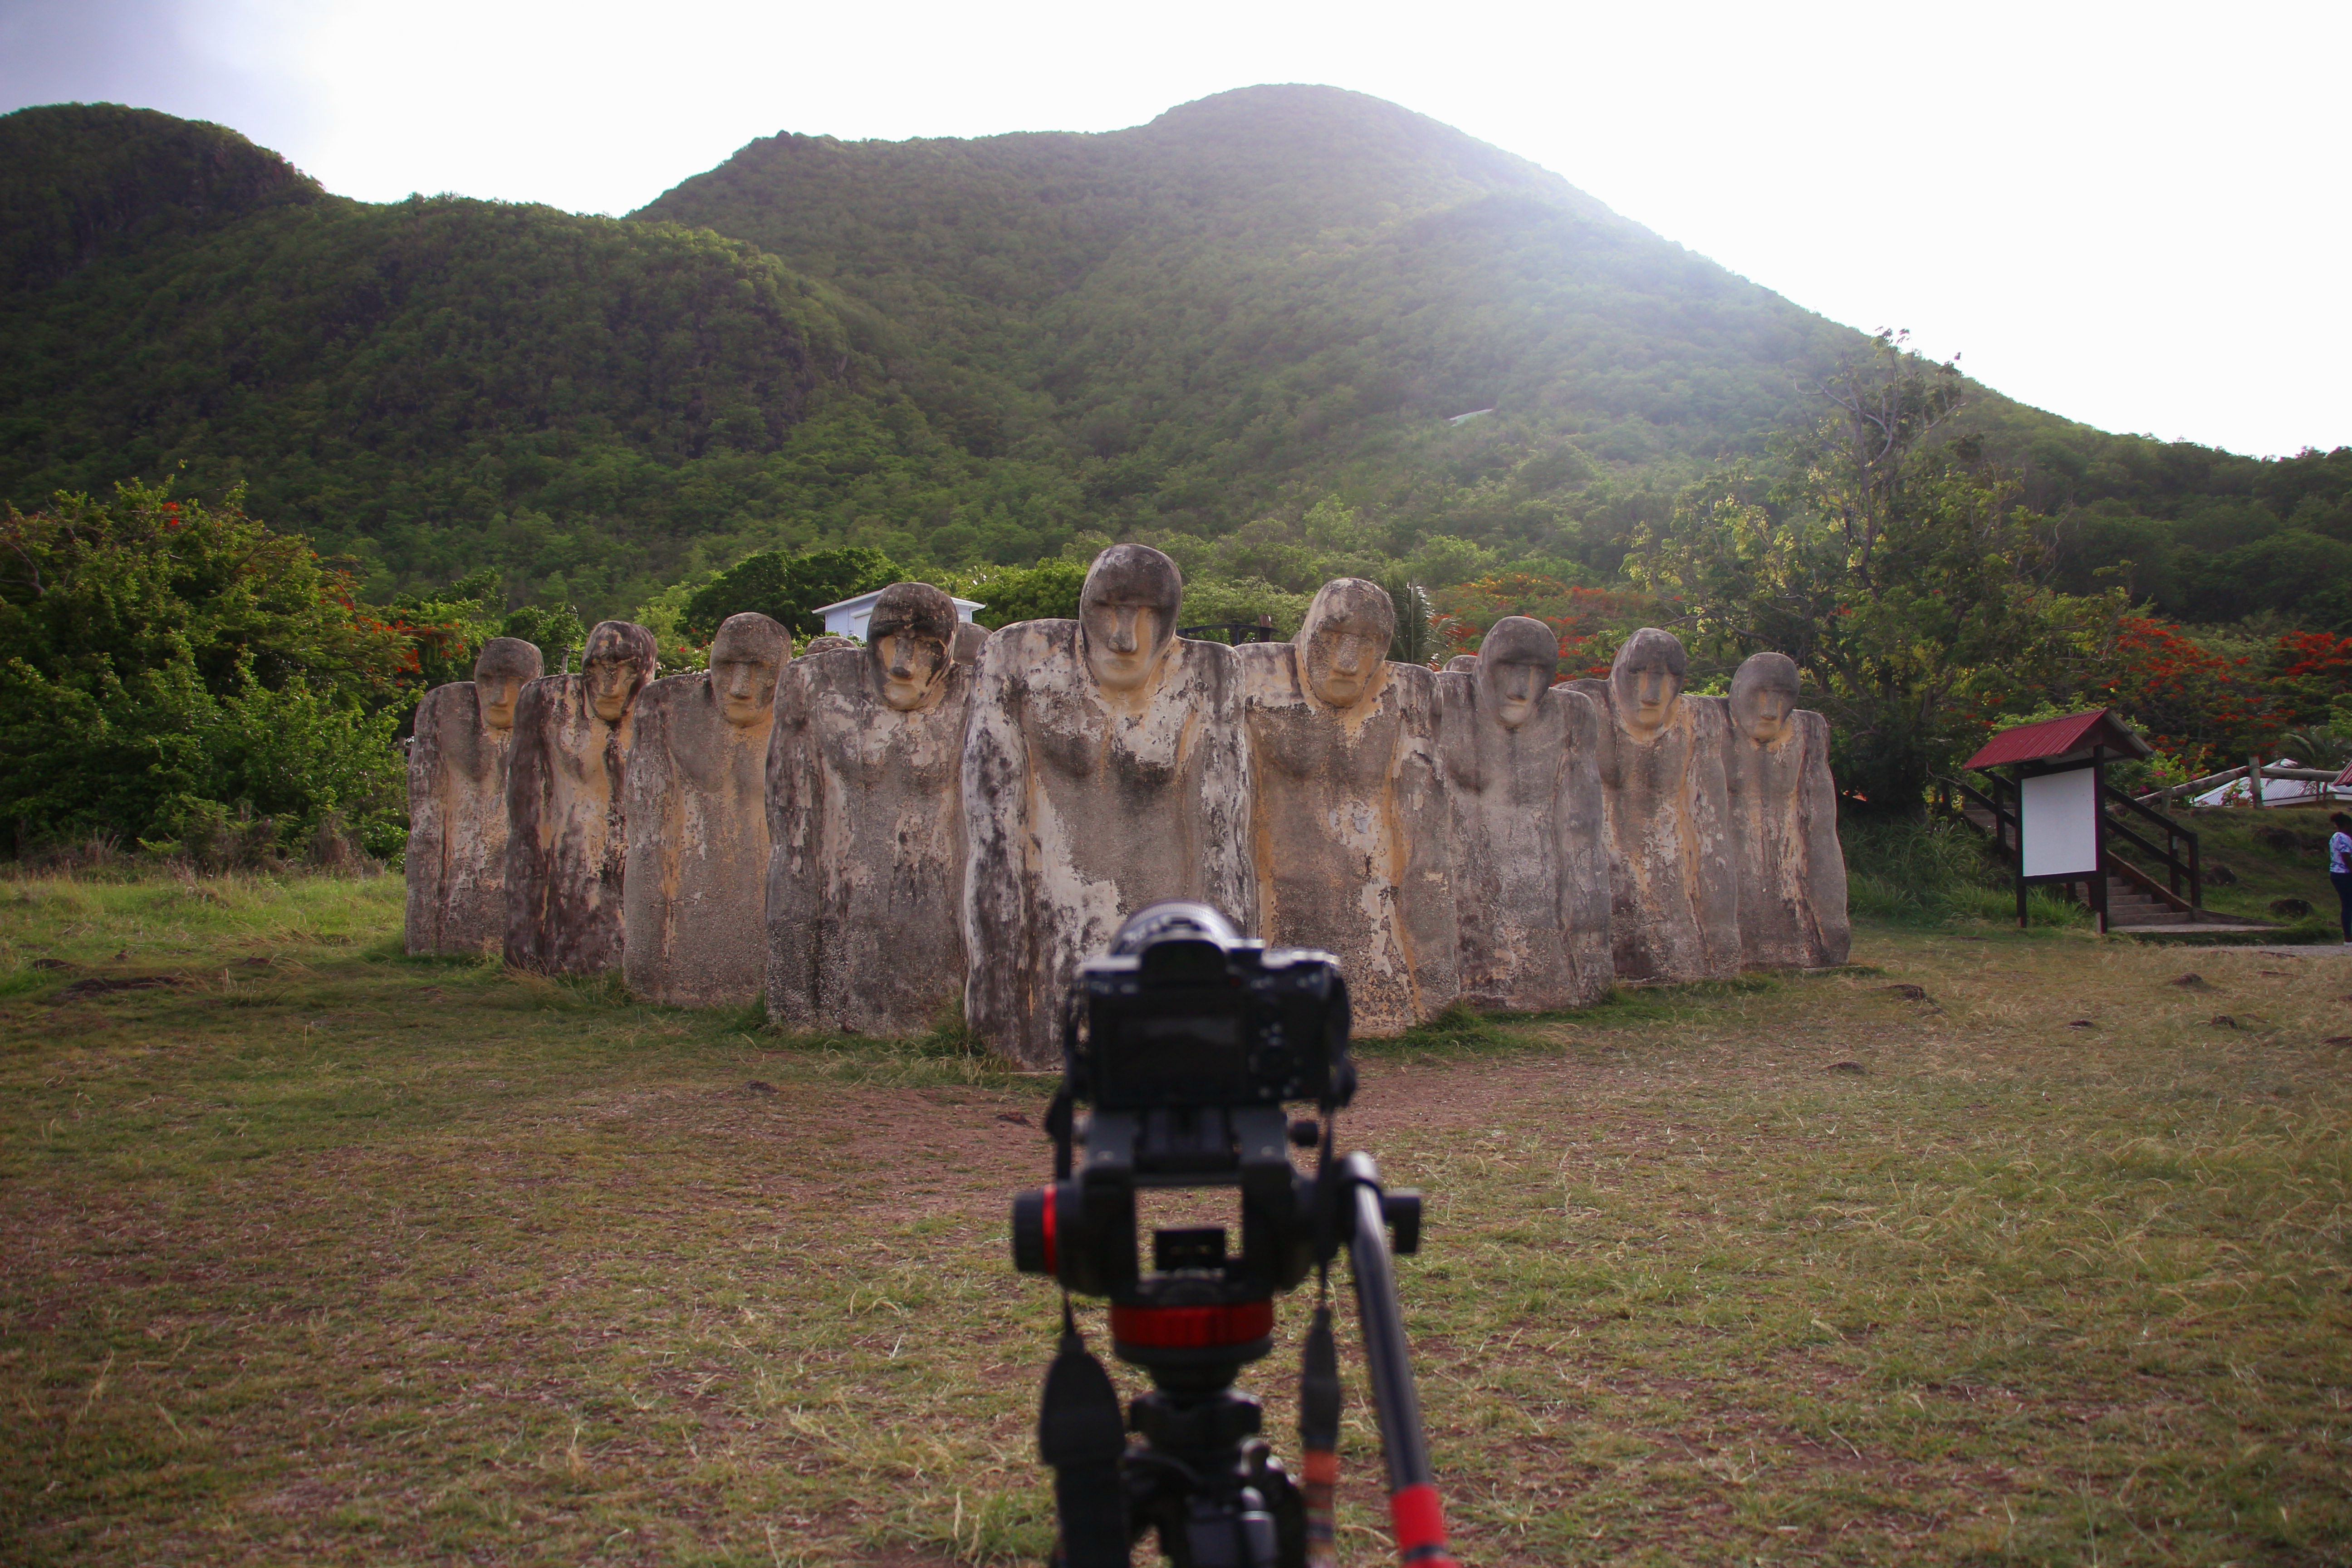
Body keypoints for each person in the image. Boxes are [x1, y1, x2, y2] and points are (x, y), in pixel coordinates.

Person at [2331, 811, 2352, 944]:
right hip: (2344, 874)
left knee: (2347, 904)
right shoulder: (2343, 838)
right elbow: (2346, 858)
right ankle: (2348, 939)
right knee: (2348, 905)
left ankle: (2348, 938)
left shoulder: (2335, 837)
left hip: (2336, 873)